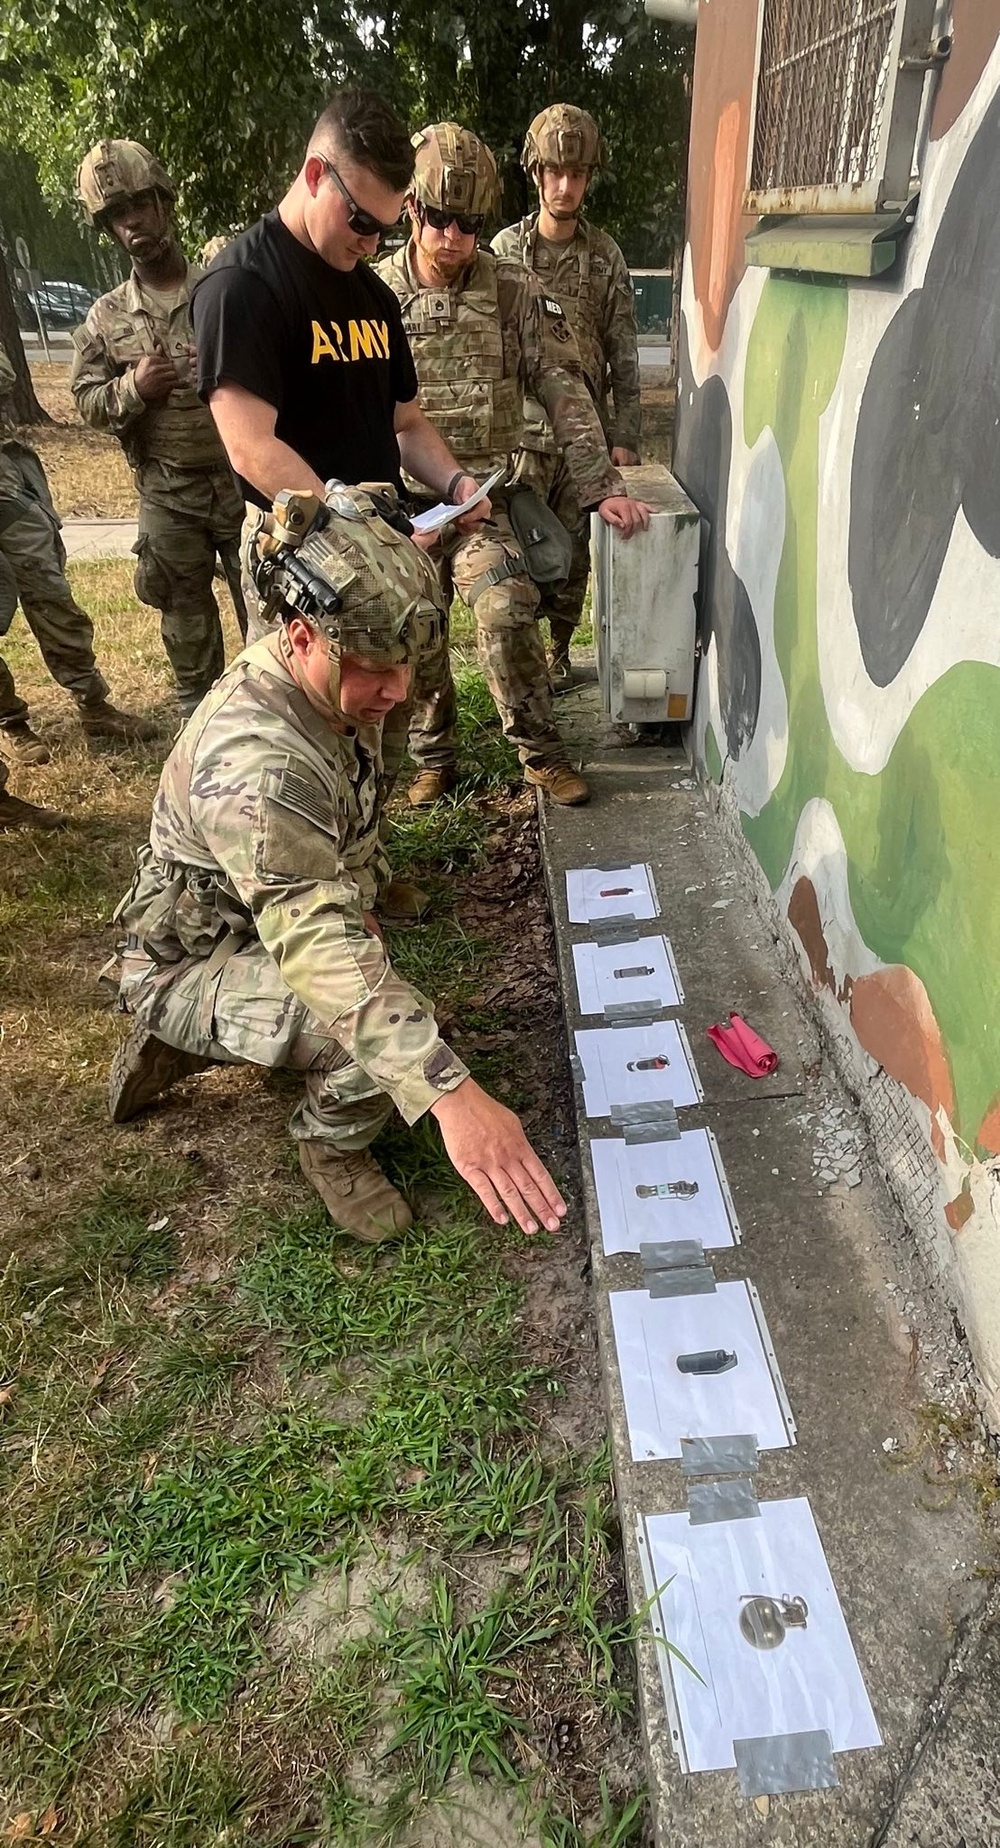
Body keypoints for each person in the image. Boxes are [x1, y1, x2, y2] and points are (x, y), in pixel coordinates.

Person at [108, 481, 566, 1247]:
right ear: (297, 635)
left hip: (252, 909)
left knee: (384, 989)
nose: (396, 692)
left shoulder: (333, 680)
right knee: (384, 1038)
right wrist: (449, 1095)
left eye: (410, 666)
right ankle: (329, 1144)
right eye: (371, 668)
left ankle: (209, 1030)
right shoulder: (258, 767)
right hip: (191, 954)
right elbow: (318, 945)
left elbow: (343, 824)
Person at [190, 87, 489, 913]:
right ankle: (303, 908)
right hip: (307, 564)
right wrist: (359, 537)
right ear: (316, 174)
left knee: (380, 724)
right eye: (362, 221)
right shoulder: (243, 285)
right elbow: (251, 445)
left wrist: (458, 484)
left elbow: (406, 422)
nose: (374, 241)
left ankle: (364, 868)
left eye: (389, 228)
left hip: (380, 555)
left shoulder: (372, 299)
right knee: (304, 744)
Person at [377, 123, 649, 809]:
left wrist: (598, 485)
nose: (455, 238)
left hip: (484, 502)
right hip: (399, 507)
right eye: (440, 219)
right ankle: (432, 758)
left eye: (470, 223)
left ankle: (540, 753)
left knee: (506, 607)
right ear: (412, 209)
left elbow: (563, 387)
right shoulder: (373, 295)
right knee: (415, 624)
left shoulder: (513, 292)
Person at [71, 139, 249, 717]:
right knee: (186, 622)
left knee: (271, 610)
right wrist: (133, 390)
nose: (132, 223)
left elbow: (279, 374)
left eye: (140, 206)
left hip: (243, 484)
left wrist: (225, 376)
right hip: (168, 492)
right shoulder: (107, 316)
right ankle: (203, 735)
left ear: (165, 204)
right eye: (117, 216)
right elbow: (85, 399)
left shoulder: (221, 291)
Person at [492, 105, 641, 693]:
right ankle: (523, 661)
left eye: (576, 174)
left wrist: (625, 438)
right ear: (536, 173)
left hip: (584, 441)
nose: (565, 185)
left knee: (574, 557)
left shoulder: (604, 257)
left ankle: (557, 651)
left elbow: (623, 352)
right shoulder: (505, 251)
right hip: (520, 438)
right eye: (555, 171)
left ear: (589, 178)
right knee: (522, 554)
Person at [0, 337, 155, 765]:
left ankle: (93, 704)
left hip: (6, 490)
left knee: (50, 593)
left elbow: (5, 374)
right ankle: (9, 721)